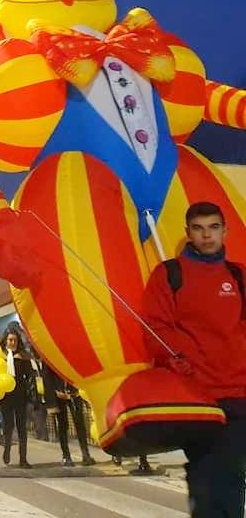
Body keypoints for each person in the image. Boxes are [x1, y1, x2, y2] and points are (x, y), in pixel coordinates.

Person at [142, 201, 246, 517]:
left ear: (225, 231)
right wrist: (176, 359)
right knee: (204, 475)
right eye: (199, 229)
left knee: (232, 475)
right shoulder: (169, 274)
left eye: (213, 227)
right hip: (196, 397)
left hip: (239, 393)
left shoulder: (238, 276)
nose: (207, 236)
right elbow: (155, 327)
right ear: (188, 232)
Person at [40, 360, 95, 467]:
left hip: (74, 391)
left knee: (80, 423)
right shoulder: (49, 353)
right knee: (63, 425)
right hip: (59, 393)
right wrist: (51, 402)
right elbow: (47, 378)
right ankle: (66, 455)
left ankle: (85, 454)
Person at [0, 327, 33, 468]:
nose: (13, 342)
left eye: (15, 340)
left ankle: (23, 459)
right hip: (5, 397)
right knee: (8, 426)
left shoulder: (23, 356)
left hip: (20, 396)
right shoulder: (0, 357)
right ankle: (7, 449)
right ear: (5, 341)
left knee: (21, 428)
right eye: (10, 340)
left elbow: (30, 375)